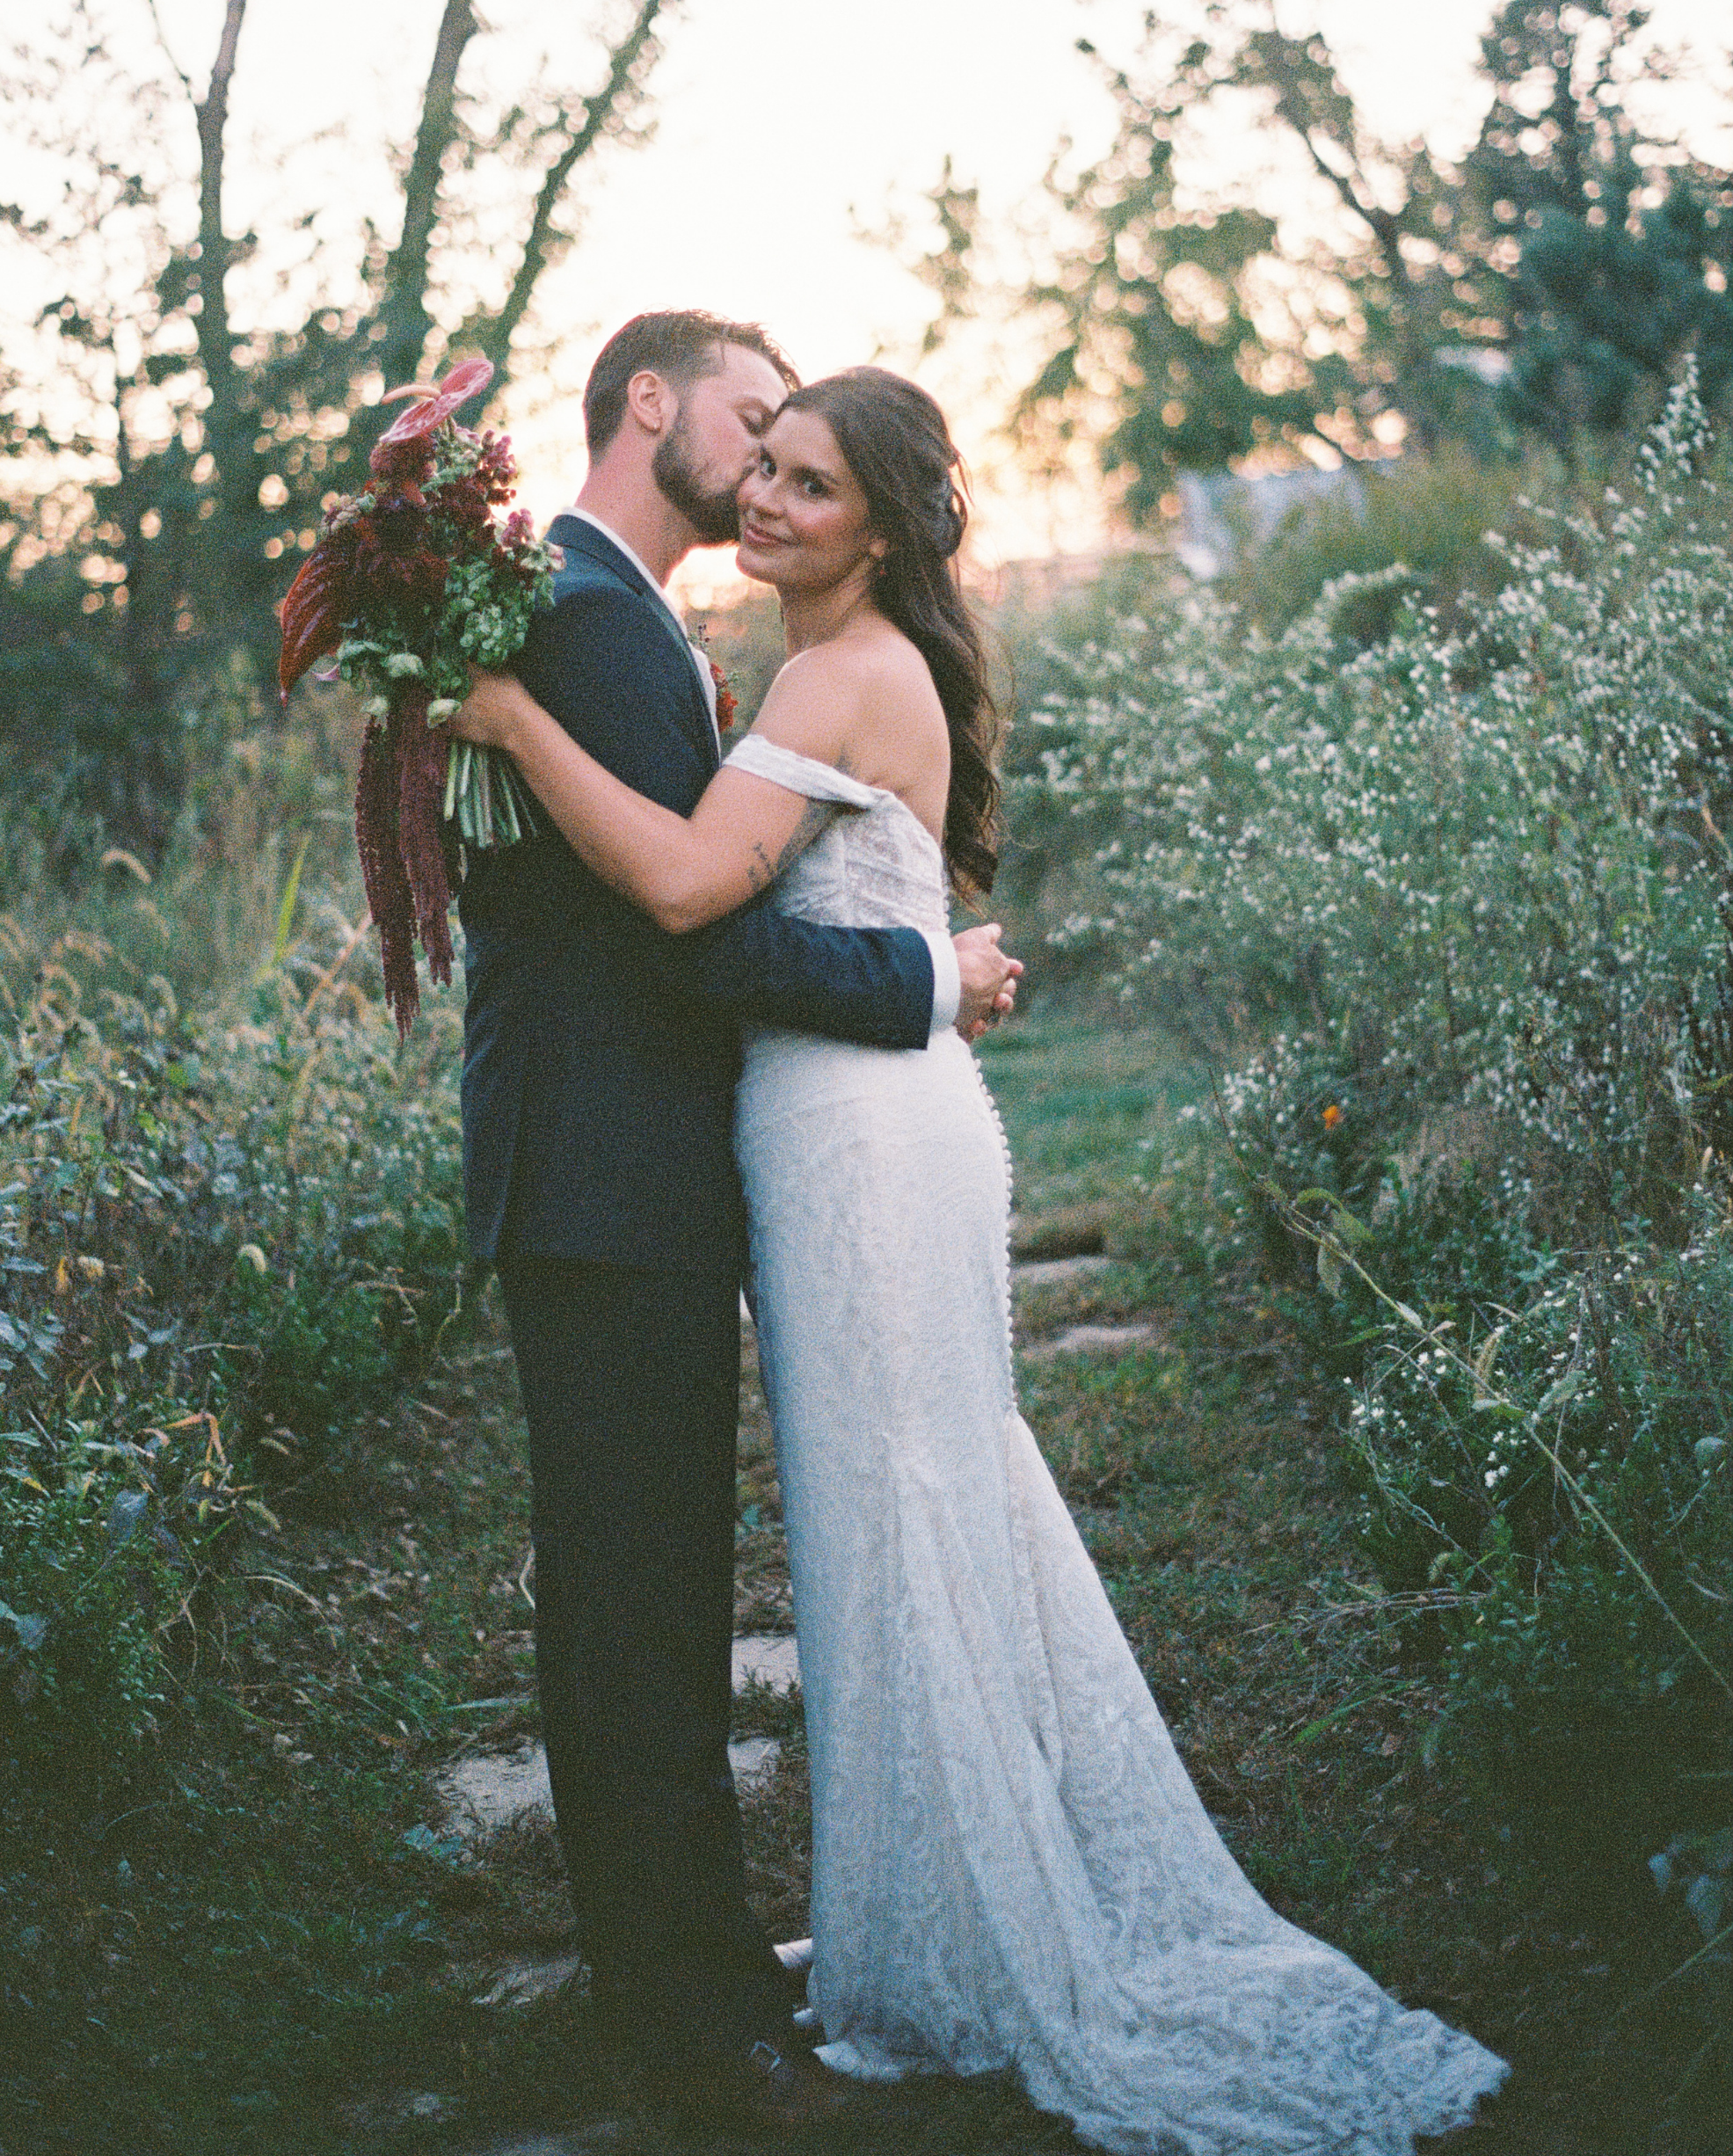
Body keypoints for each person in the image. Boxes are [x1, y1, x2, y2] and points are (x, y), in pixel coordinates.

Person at [450, 363, 1511, 2154]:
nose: (770, 502)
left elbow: (698, 896)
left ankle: (972, 1927)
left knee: (902, 1515)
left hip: (860, 1143)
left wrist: (508, 720)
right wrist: (940, 972)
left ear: (884, 521)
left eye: (806, 482)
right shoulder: (851, 663)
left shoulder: (828, 673)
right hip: (857, 1127)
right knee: (897, 1516)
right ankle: (912, 1917)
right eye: (760, 466)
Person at [453, 313, 1020, 2132]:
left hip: (631, 1173)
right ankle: (693, 2021)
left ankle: (686, 1964)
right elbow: (681, 929)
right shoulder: (591, 616)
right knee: (635, 1605)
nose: (767, 454)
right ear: (651, 401)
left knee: (652, 1588)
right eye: (750, 416)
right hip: (611, 1180)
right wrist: (921, 975)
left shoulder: (609, 608)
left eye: (802, 451)